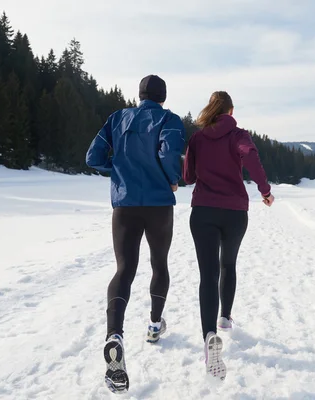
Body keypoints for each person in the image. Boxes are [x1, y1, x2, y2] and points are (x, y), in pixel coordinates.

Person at [86, 75, 185, 394]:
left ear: (139, 94)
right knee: (159, 264)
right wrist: (172, 179)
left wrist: (119, 170)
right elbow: (170, 153)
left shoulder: (117, 117)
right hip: (158, 204)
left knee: (124, 270)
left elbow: (93, 158)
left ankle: (114, 335)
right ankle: (155, 326)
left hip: (125, 203)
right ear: (163, 97)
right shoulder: (169, 120)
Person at [183, 91, 274, 380]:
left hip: (204, 211)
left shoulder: (197, 138)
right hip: (235, 212)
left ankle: (209, 336)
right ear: (231, 111)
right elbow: (251, 157)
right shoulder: (239, 134)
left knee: (208, 274)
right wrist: (265, 190)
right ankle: (225, 318)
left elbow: (188, 178)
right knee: (228, 265)